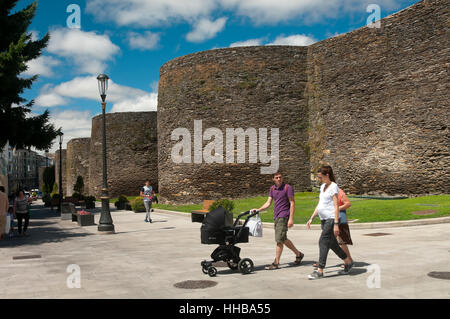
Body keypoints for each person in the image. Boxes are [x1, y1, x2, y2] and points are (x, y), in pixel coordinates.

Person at [306, 165, 353, 279]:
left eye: (320, 177)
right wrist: (312, 217)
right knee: (331, 243)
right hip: (323, 219)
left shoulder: (334, 187)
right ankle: (348, 261)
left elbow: (336, 206)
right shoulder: (322, 187)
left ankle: (320, 270)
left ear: (327, 175)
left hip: (331, 219)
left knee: (323, 241)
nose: (319, 179)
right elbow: (320, 204)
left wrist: (336, 224)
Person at [252, 172, 304, 270]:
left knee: (279, 240)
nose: (279, 179)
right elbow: (268, 203)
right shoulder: (272, 189)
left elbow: (292, 203)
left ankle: (276, 263)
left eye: (280, 177)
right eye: (277, 178)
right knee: (283, 238)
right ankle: (298, 254)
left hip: (284, 216)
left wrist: (291, 218)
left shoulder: (287, 188)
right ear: (273, 179)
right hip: (276, 216)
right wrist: (258, 209)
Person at [312, 188, 354, 268]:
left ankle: (349, 260)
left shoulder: (339, 191)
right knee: (327, 242)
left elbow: (348, 204)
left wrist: (337, 208)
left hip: (339, 221)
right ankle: (321, 262)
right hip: (330, 221)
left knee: (341, 242)